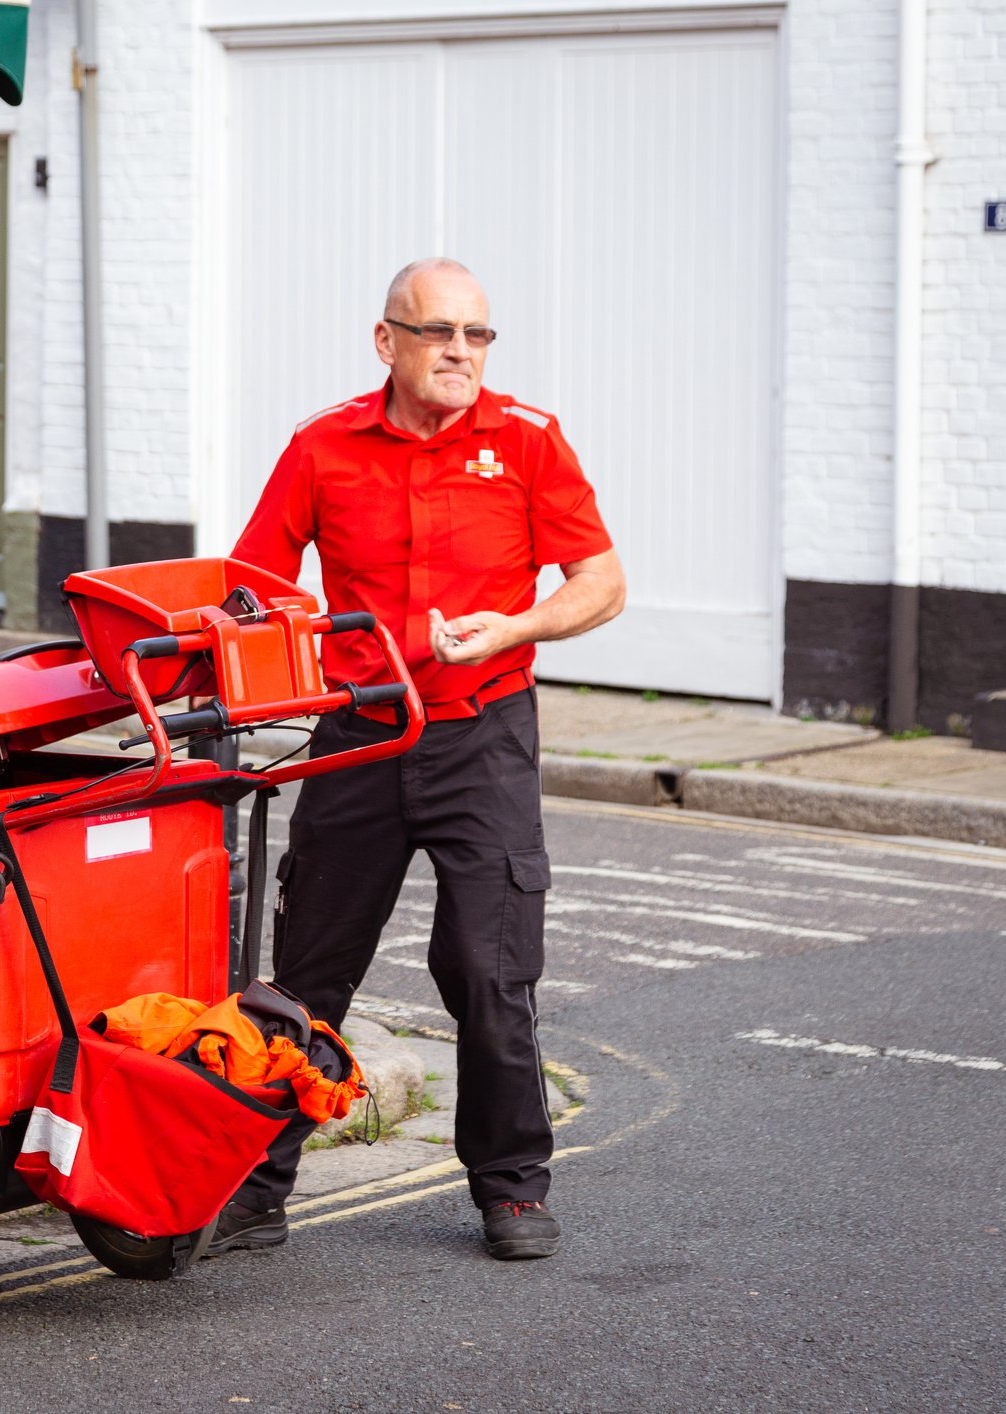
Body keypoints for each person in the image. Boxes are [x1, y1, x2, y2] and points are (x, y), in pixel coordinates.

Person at [215, 257, 624, 1261]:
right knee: (310, 974)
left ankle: (511, 1188)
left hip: (482, 733)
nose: (460, 352)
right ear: (386, 340)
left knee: (489, 974)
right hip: (357, 735)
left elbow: (603, 580)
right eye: (439, 332)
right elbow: (253, 585)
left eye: (478, 335)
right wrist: (270, 658)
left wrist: (517, 625)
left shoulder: (528, 440)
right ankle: (255, 1189)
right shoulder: (323, 445)